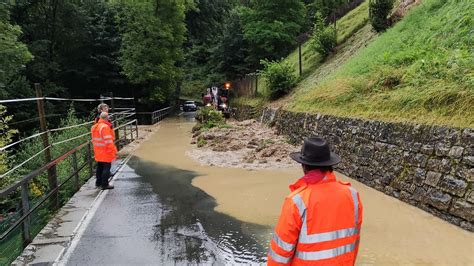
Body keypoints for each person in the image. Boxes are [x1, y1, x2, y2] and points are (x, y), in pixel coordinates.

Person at [268, 137, 363, 265]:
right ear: (329, 164)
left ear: (304, 166)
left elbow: (279, 255)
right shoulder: (352, 195)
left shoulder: (297, 201)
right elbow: (354, 243)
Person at [91, 112, 117, 190]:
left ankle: (98, 183)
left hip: (97, 151)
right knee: (106, 168)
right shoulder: (105, 127)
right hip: (105, 151)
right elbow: (109, 141)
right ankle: (105, 184)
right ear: (106, 118)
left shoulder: (94, 126)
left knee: (100, 167)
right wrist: (114, 151)